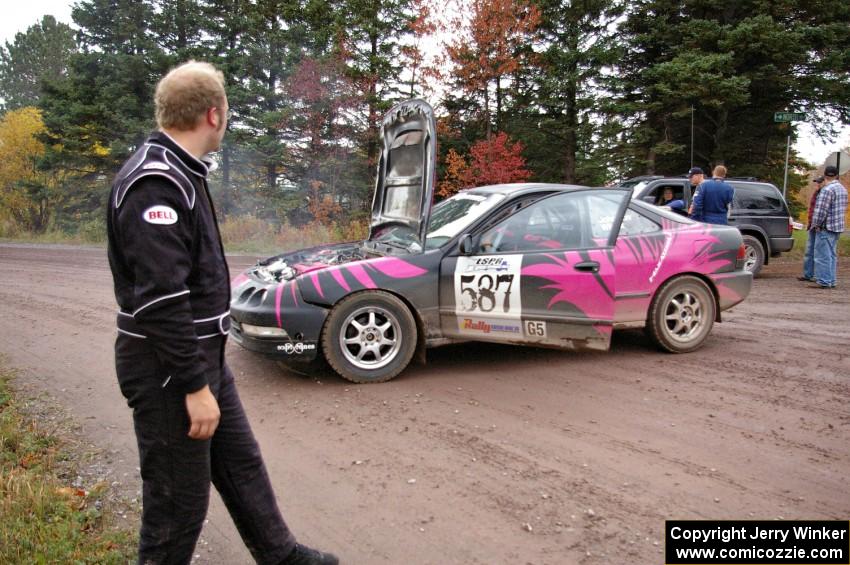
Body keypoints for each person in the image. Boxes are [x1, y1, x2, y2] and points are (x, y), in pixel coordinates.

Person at [107, 61, 339, 565]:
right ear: (215, 114)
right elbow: (161, 299)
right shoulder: (156, 183)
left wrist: (205, 376)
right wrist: (194, 387)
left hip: (200, 360)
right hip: (167, 369)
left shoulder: (182, 172)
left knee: (241, 465)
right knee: (177, 503)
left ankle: (282, 557)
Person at [809, 165, 848, 289]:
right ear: (836, 175)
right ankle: (831, 280)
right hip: (837, 227)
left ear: (825, 175)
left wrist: (815, 225)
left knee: (822, 256)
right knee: (831, 255)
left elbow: (820, 211)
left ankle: (825, 281)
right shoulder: (842, 189)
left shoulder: (827, 190)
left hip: (826, 227)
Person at [798, 175, 826, 282]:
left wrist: (818, 224)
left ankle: (817, 276)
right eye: (816, 182)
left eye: (819, 182)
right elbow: (812, 210)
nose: (817, 184)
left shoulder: (825, 193)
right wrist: (809, 223)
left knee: (819, 252)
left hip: (819, 226)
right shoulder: (816, 193)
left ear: (824, 182)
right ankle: (807, 274)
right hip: (812, 225)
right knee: (809, 251)